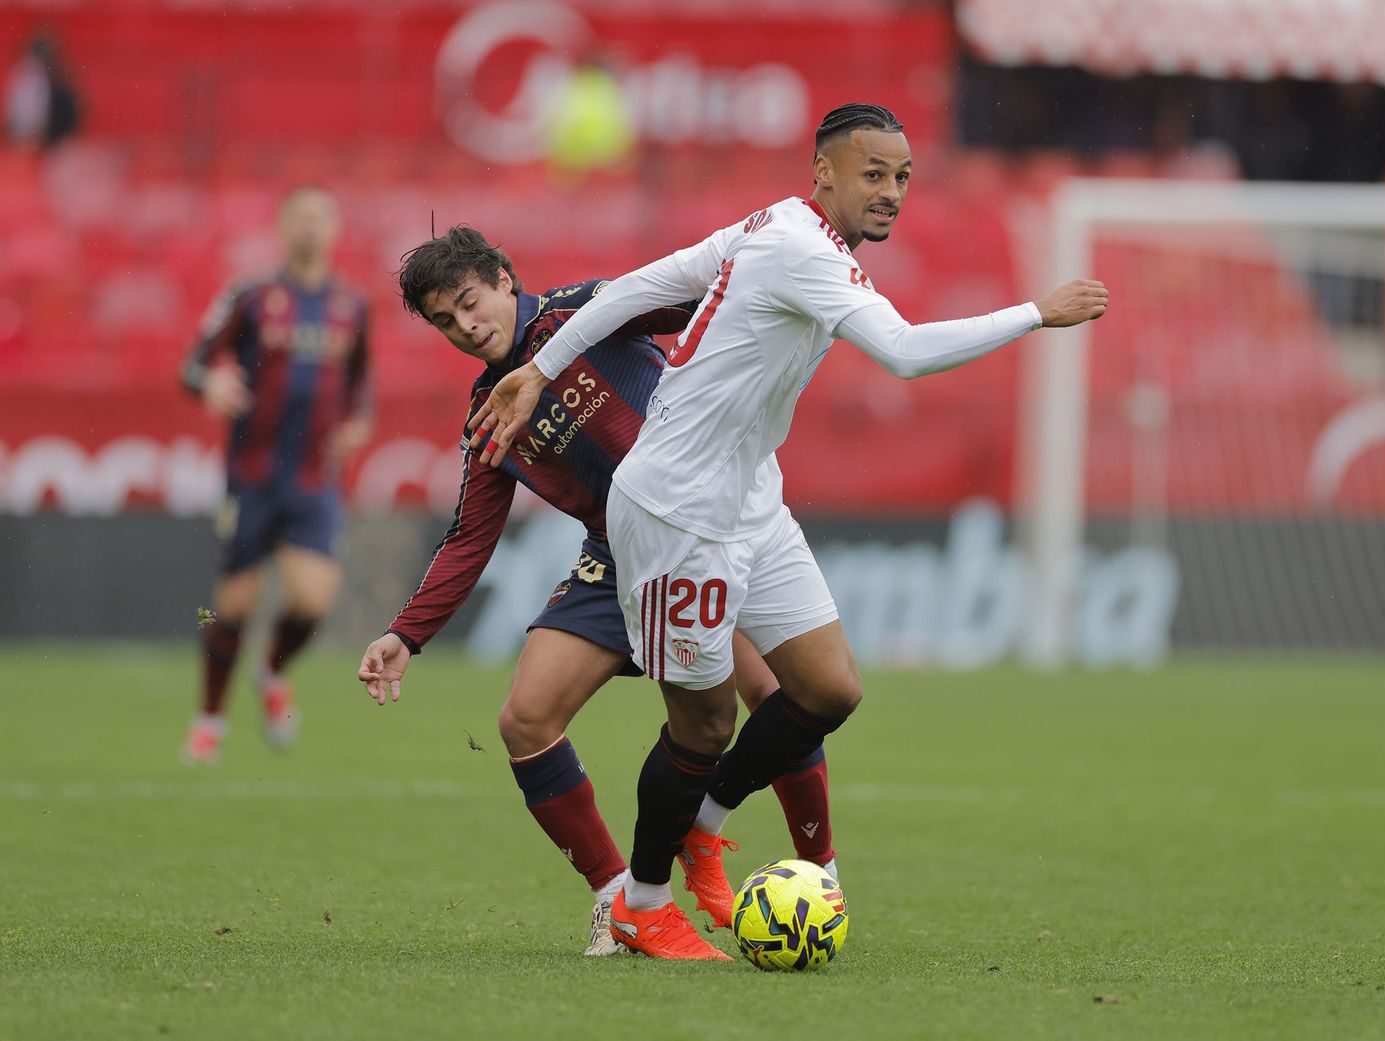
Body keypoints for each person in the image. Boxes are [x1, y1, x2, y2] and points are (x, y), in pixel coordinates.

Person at [468, 102, 1109, 960]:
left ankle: (704, 821)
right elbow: (907, 352)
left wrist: (539, 367)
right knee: (703, 725)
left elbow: (630, 290)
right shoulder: (799, 246)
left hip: (750, 502)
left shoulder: (773, 226)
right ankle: (642, 902)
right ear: (825, 174)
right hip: (676, 514)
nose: (890, 192)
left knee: (829, 688)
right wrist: (1037, 311)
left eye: (903, 176)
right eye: (872, 173)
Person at [356, 226, 839, 957]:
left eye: (470, 302)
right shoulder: (493, 412)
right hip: (619, 558)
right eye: (446, 321)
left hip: (705, 532)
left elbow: (691, 305)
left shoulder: (584, 312)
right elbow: (468, 536)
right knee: (525, 719)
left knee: (782, 699)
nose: (467, 326)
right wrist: (407, 633)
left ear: (503, 277)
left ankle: (819, 876)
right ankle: (621, 899)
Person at [180, 186, 372, 764]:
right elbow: (192, 363)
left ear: (334, 229)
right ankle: (210, 718)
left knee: (312, 603)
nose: (310, 229)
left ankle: (270, 672)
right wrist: (208, 382)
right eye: (300, 219)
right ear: (284, 229)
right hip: (253, 477)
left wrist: (359, 422)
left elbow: (361, 380)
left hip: (313, 480)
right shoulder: (251, 296)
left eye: (320, 219)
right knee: (228, 610)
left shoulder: (351, 305)